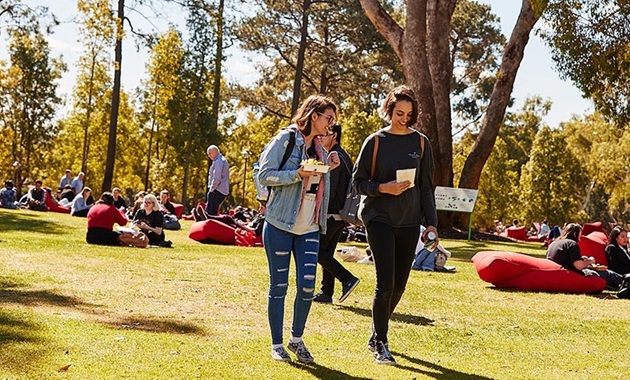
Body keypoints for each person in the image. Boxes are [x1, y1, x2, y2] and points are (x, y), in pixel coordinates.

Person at [353, 85, 438, 365]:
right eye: (399, 113)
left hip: (410, 220)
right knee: (385, 283)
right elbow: (358, 183)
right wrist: (383, 188)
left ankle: (376, 330)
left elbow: (426, 187)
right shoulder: (375, 141)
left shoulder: (421, 143)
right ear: (389, 110)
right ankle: (382, 342)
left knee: (400, 285)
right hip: (379, 217)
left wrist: (432, 224)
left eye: (409, 114)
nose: (404, 119)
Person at [257, 94, 340, 363]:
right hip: (280, 224)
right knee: (279, 286)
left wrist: (329, 166)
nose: (331, 124)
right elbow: (264, 175)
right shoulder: (286, 139)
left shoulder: (319, 148)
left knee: (307, 287)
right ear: (314, 115)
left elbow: (316, 186)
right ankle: (277, 344)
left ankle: (296, 339)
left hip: (309, 227)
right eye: (329, 118)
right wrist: (297, 174)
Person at [313, 123, 360, 304]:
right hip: (340, 215)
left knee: (317, 252)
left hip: (332, 214)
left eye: (327, 133)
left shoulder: (335, 157)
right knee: (327, 253)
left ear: (335, 136)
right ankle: (326, 293)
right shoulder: (343, 155)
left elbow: (330, 191)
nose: (322, 136)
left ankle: (347, 278)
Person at [546, 223, 629, 297]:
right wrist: (590, 261)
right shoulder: (572, 244)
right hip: (572, 274)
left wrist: (582, 259)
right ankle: (627, 284)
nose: (580, 238)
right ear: (575, 234)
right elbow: (579, 266)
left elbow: (565, 259)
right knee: (608, 274)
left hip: (560, 272)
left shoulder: (554, 243)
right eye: (580, 234)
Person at [205, 145, 230, 216]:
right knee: (213, 210)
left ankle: (206, 220)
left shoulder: (219, 162)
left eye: (210, 153)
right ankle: (205, 218)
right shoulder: (220, 160)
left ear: (215, 152)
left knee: (211, 211)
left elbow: (217, 178)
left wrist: (211, 189)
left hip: (217, 189)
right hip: (220, 189)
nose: (209, 156)